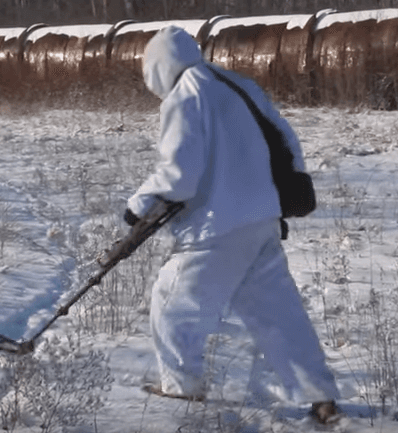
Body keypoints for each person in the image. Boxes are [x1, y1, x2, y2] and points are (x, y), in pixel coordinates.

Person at [124, 26, 341, 424]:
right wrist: (275, 199)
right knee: (280, 316)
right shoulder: (237, 83)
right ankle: (321, 397)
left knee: (172, 307)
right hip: (261, 221)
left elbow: (179, 174)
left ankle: (180, 390)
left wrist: (139, 206)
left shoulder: (186, 94)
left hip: (215, 229)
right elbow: (287, 141)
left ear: (157, 66)